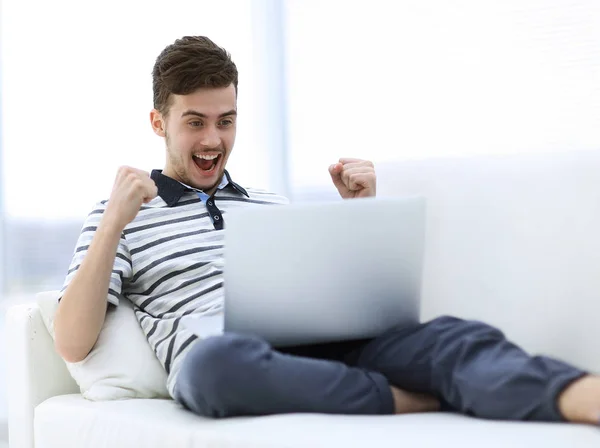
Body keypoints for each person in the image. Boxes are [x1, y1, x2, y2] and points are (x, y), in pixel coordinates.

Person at [54, 36, 600, 424]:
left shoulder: (270, 204)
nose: (213, 139)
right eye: (195, 121)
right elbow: (73, 343)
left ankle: (582, 396)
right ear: (159, 123)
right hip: (226, 358)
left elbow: (341, 300)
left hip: (318, 349)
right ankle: (400, 400)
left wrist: (357, 217)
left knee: (450, 335)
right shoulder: (120, 214)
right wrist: (112, 226)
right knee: (215, 370)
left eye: (227, 119)